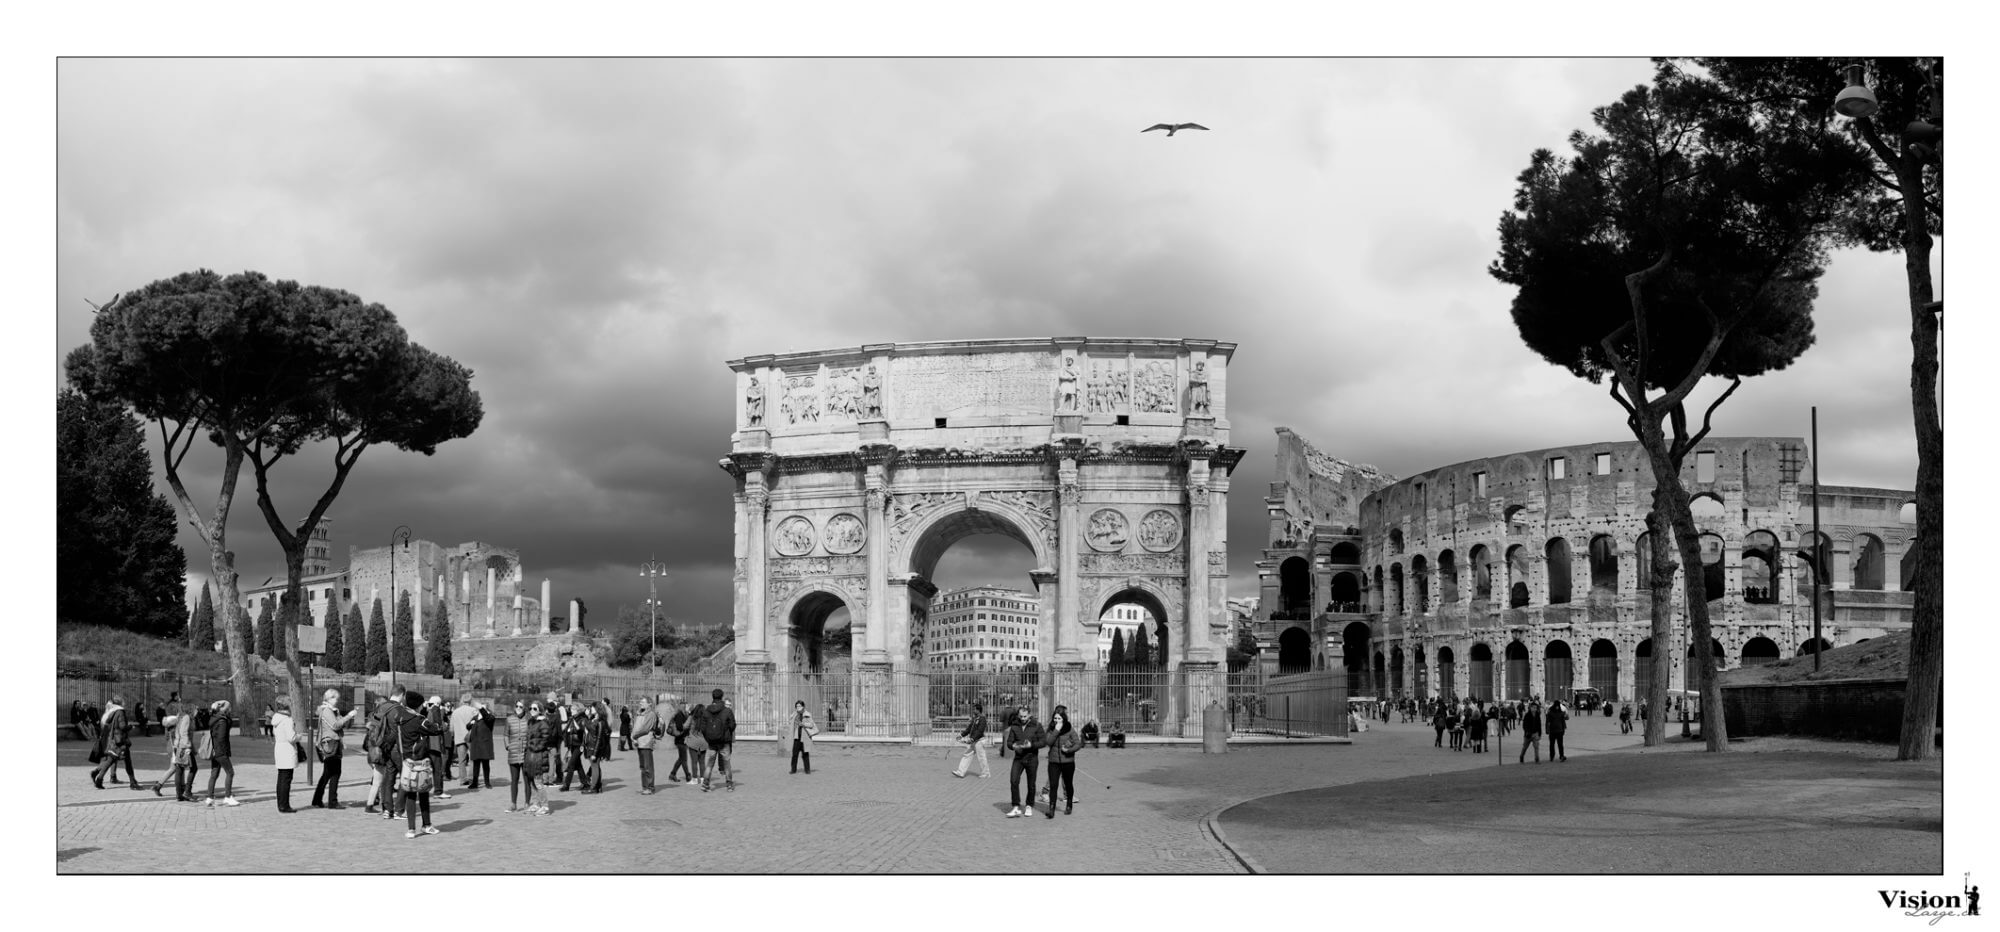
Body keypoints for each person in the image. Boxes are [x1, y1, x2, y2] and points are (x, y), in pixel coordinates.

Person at [387, 690, 444, 838]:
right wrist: (436, 713)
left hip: (406, 759)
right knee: (423, 792)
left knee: (410, 793)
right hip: (419, 760)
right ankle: (426, 825)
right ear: (418, 705)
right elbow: (436, 729)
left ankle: (411, 829)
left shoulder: (399, 717)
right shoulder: (419, 720)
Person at [312, 688, 358, 809]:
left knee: (328, 774)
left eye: (337, 698)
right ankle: (332, 801)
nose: (336, 700)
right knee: (334, 773)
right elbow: (335, 725)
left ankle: (318, 799)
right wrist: (349, 716)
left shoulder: (332, 710)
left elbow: (341, 724)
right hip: (331, 744)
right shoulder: (327, 711)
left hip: (333, 743)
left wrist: (343, 716)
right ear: (328, 698)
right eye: (334, 698)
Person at [365, 688, 404, 816]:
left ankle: (371, 805)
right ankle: (385, 806)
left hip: (374, 749)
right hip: (384, 749)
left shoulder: (373, 716)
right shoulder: (391, 713)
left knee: (377, 780)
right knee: (386, 780)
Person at [1003, 708, 1047, 818]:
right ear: (1018, 715)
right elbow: (1009, 742)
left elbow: (1043, 742)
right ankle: (1016, 806)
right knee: (1013, 780)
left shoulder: (1036, 725)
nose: (1022, 719)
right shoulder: (1014, 726)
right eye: (1021, 716)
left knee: (1031, 784)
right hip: (1018, 758)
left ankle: (1029, 805)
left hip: (1032, 758)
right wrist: (1012, 746)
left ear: (1029, 715)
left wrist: (1031, 745)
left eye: (1025, 716)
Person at [152, 701, 198, 801]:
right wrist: (185, 747)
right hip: (176, 747)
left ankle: (180, 790)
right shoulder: (178, 720)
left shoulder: (175, 719)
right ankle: (160, 786)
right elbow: (180, 735)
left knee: (178, 768)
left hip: (175, 746)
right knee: (176, 768)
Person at [90, 694, 137, 789]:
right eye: (123, 701)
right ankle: (133, 783)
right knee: (126, 761)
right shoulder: (120, 712)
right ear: (120, 703)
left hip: (113, 739)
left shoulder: (112, 712)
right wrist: (130, 727)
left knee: (111, 760)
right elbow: (122, 726)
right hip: (120, 740)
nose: (124, 702)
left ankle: (99, 779)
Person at [1044, 707, 1080, 818]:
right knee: (1053, 785)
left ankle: (1069, 804)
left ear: (1063, 719)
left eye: (1059, 718)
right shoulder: (1051, 729)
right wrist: (1056, 730)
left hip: (1068, 761)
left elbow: (1078, 744)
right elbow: (1048, 742)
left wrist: (1069, 750)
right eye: (1055, 718)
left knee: (1068, 784)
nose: (1056, 720)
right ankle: (1051, 809)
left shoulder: (1069, 729)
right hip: (1054, 761)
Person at [520, 701, 554, 815]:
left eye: (534, 709)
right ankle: (536, 803)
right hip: (530, 755)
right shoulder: (531, 721)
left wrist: (535, 747)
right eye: (530, 708)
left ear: (539, 710)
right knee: (531, 781)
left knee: (538, 782)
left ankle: (545, 806)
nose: (531, 711)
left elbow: (546, 739)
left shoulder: (543, 723)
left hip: (539, 755)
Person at [699, 689, 736, 792]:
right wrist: (727, 733)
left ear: (712, 697)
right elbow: (733, 725)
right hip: (724, 741)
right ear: (722, 697)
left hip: (711, 741)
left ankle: (705, 784)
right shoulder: (727, 711)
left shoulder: (706, 711)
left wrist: (708, 737)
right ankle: (729, 785)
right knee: (727, 764)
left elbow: (702, 727)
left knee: (709, 764)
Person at [204, 699, 239, 807]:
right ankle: (228, 797)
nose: (231, 710)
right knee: (230, 772)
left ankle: (210, 797)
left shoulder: (215, 718)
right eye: (229, 708)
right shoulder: (222, 721)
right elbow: (221, 737)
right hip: (220, 751)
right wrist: (223, 752)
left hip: (214, 750)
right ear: (226, 709)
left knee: (214, 774)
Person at [271, 697, 300, 813]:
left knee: (281, 778)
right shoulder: (287, 719)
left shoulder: (276, 718)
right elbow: (291, 737)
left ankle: (281, 803)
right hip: (287, 750)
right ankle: (284, 805)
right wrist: (299, 736)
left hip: (279, 748)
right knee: (286, 779)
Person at [951, 702, 989, 778]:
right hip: (974, 741)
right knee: (966, 755)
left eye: (974, 709)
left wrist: (972, 738)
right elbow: (969, 729)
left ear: (978, 710)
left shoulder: (982, 719)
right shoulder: (975, 719)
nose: (973, 711)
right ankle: (960, 772)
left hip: (979, 741)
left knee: (981, 757)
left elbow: (980, 731)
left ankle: (985, 773)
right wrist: (961, 735)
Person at [632, 695, 661, 794]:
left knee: (648, 766)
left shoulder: (651, 714)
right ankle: (645, 787)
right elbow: (636, 727)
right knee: (643, 767)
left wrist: (634, 736)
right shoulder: (640, 714)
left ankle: (650, 787)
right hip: (640, 743)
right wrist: (634, 737)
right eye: (640, 702)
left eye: (643, 702)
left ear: (649, 704)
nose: (641, 703)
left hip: (646, 742)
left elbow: (645, 728)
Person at [425, 696, 453, 798]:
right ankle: (438, 791)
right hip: (436, 743)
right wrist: (446, 724)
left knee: (435, 768)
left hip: (431, 743)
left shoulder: (430, 711)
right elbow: (441, 726)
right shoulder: (436, 711)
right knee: (437, 768)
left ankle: (437, 790)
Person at [466, 699, 496, 791]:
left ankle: (487, 782)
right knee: (476, 764)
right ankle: (475, 782)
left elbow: (487, 718)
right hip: (476, 744)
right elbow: (467, 726)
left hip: (485, 744)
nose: (480, 709)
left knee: (485, 764)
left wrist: (482, 709)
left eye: (482, 707)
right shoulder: (475, 717)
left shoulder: (490, 717)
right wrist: (470, 724)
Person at [450, 695, 478, 787]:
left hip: (459, 737)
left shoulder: (455, 712)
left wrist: (454, 735)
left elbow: (451, 728)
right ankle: (471, 778)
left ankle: (463, 779)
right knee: (473, 759)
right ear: (470, 701)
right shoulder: (473, 711)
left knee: (461, 760)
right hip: (470, 737)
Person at [578, 702, 606, 793]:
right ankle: (597, 786)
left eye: (592, 707)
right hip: (590, 746)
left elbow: (598, 738)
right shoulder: (594, 719)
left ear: (597, 709)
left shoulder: (600, 722)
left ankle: (593, 787)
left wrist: (595, 752)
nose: (591, 709)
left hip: (594, 747)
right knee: (595, 766)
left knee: (594, 766)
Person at [666, 696, 692, 784]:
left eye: (685, 704)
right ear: (681, 705)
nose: (685, 706)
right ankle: (688, 776)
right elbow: (680, 727)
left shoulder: (683, 714)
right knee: (684, 759)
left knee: (681, 759)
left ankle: (672, 774)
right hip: (680, 740)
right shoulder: (679, 714)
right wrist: (687, 725)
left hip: (682, 739)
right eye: (684, 704)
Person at [683, 699, 709, 786]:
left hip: (693, 742)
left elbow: (685, 726)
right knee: (702, 762)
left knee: (694, 761)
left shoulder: (692, 718)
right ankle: (702, 779)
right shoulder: (706, 719)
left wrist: (688, 714)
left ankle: (694, 779)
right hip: (704, 742)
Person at [789, 700, 817, 775]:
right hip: (796, 737)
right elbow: (790, 722)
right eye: (797, 706)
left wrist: (803, 724)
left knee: (805, 755)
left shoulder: (807, 714)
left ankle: (807, 770)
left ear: (803, 706)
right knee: (794, 755)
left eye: (800, 706)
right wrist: (792, 717)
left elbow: (811, 725)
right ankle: (793, 769)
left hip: (804, 738)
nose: (798, 707)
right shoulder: (794, 715)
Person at [1518, 698, 1544, 764]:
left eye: (1536, 708)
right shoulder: (1527, 715)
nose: (1535, 709)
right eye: (1533, 708)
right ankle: (1521, 756)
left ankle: (1537, 759)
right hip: (1528, 734)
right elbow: (1524, 725)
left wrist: (1540, 734)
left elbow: (1539, 725)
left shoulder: (1537, 715)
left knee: (1536, 747)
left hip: (1535, 733)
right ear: (1530, 708)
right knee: (1525, 747)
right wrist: (1527, 732)